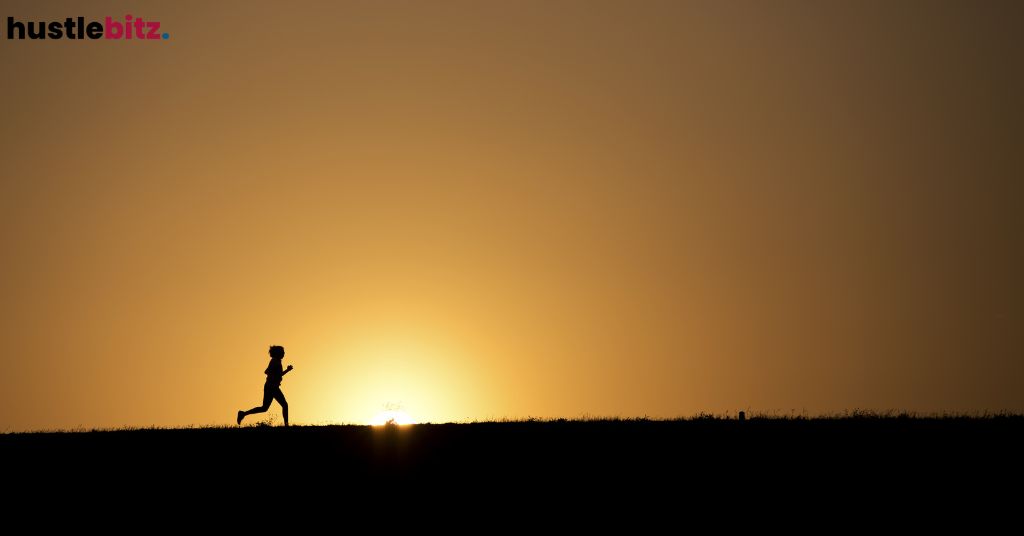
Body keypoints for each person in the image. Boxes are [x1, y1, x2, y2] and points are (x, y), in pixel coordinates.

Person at [237, 345, 293, 426]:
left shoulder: (277, 361)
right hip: (272, 386)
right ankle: (286, 425)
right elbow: (267, 372)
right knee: (284, 405)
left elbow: (278, 374)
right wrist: (275, 376)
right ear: (278, 353)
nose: (284, 353)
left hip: (271, 386)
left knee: (264, 408)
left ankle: (243, 413)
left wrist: (287, 370)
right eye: (282, 352)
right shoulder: (274, 361)